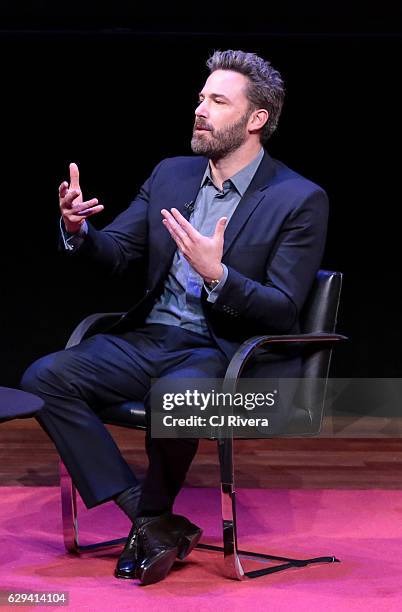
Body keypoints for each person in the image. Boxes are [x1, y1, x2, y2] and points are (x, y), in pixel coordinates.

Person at [21, 49, 328, 585]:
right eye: (200, 97)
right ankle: (150, 517)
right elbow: (117, 250)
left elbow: (283, 308)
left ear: (256, 119)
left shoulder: (298, 198)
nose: (199, 109)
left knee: (174, 399)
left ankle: (150, 523)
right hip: (149, 336)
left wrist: (219, 276)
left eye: (217, 100)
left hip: (222, 349)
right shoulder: (171, 174)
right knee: (45, 377)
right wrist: (79, 233)